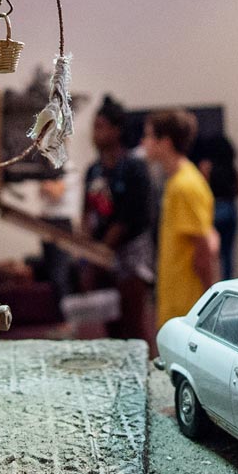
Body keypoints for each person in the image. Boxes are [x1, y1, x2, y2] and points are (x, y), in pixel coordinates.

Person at [82, 97, 155, 343]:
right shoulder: (94, 170)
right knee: (110, 328)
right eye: (94, 126)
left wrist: (102, 248)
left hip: (131, 256)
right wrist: (87, 248)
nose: (95, 133)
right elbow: (87, 210)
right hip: (101, 256)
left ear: (117, 130)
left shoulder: (134, 168)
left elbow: (130, 216)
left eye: (101, 126)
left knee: (133, 325)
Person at [144, 107, 220, 326]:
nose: (144, 142)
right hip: (177, 300)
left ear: (165, 142)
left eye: (149, 136)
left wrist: (210, 302)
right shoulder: (177, 182)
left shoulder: (184, 186)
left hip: (186, 305)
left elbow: (203, 249)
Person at [189, 125, 238, 280]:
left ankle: (215, 284)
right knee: (228, 253)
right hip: (230, 207)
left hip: (214, 208)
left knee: (212, 251)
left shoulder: (206, 166)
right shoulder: (231, 167)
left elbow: (202, 190)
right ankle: (228, 281)